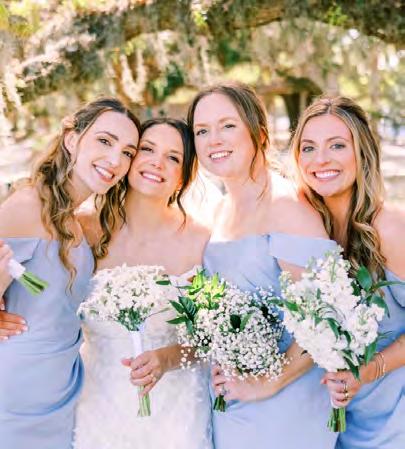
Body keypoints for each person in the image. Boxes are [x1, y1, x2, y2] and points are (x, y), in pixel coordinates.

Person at [187, 82, 338, 449]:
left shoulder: (287, 207)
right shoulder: (219, 211)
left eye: (227, 125)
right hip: (232, 401)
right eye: (202, 131)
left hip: (285, 405)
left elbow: (326, 317)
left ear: (258, 131)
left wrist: (268, 383)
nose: (213, 139)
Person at [0, 97, 141, 449]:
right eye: (105, 141)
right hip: (16, 392)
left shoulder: (77, 223)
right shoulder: (26, 207)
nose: (115, 160)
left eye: (127, 152)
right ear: (72, 139)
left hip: (62, 388)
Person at [73, 118, 213, 449]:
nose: (156, 162)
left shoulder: (201, 241)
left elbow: (210, 338)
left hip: (176, 414)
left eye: (173, 157)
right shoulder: (83, 229)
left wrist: (167, 357)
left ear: (184, 176)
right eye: (147, 149)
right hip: (98, 404)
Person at [292, 96, 405, 448]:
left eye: (337, 145)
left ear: (362, 152)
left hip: (395, 419)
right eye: (309, 147)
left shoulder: (390, 228)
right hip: (335, 424)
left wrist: (370, 370)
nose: (320, 159)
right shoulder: (307, 232)